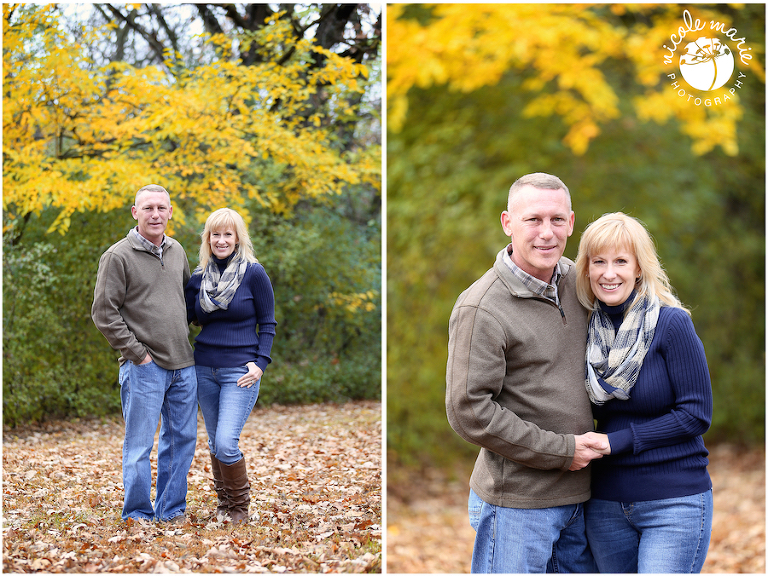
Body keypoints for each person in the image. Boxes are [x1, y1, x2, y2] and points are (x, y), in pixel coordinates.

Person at [446, 172, 607, 573]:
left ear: (571, 223)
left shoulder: (581, 283)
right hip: (518, 505)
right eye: (533, 220)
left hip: (584, 498)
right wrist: (561, 451)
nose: (546, 233)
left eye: (556, 220)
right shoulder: (482, 307)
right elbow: (469, 411)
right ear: (508, 223)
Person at [575, 212, 713, 573]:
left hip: (674, 500)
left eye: (621, 261)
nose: (609, 273)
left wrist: (616, 442)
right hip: (605, 503)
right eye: (599, 261)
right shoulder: (583, 331)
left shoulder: (672, 323)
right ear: (586, 269)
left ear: (638, 268)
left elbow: (696, 415)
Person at [92, 184, 198, 523]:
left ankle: (170, 510)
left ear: (170, 212)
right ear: (135, 212)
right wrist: (138, 354)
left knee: (181, 441)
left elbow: (186, 300)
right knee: (139, 445)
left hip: (184, 364)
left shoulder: (177, 250)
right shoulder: (117, 256)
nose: (155, 214)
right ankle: (137, 514)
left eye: (161, 208)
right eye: (148, 208)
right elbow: (104, 313)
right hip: (144, 366)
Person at [185, 208, 277, 524]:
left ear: (238, 238)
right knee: (214, 443)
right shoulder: (198, 279)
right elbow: (181, 318)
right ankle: (224, 506)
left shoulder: (254, 273)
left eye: (228, 234)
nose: (221, 240)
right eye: (216, 234)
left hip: (240, 372)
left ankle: (239, 509)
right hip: (203, 369)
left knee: (226, 442)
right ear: (208, 239)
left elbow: (268, 323)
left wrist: (261, 363)